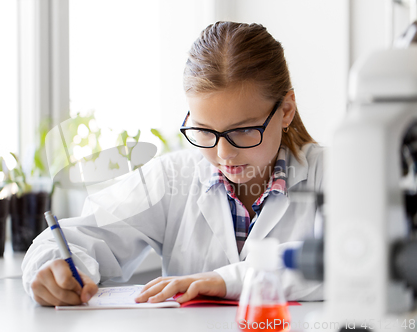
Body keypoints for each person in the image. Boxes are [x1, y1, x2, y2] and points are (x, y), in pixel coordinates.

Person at [22, 21, 324, 307]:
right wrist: (53, 267)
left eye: (243, 130)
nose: (223, 154)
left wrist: (224, 280)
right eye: (205, 130)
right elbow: (82, 235)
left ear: (286, 110)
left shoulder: (336, 174)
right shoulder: (170, 177)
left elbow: (347, 259)